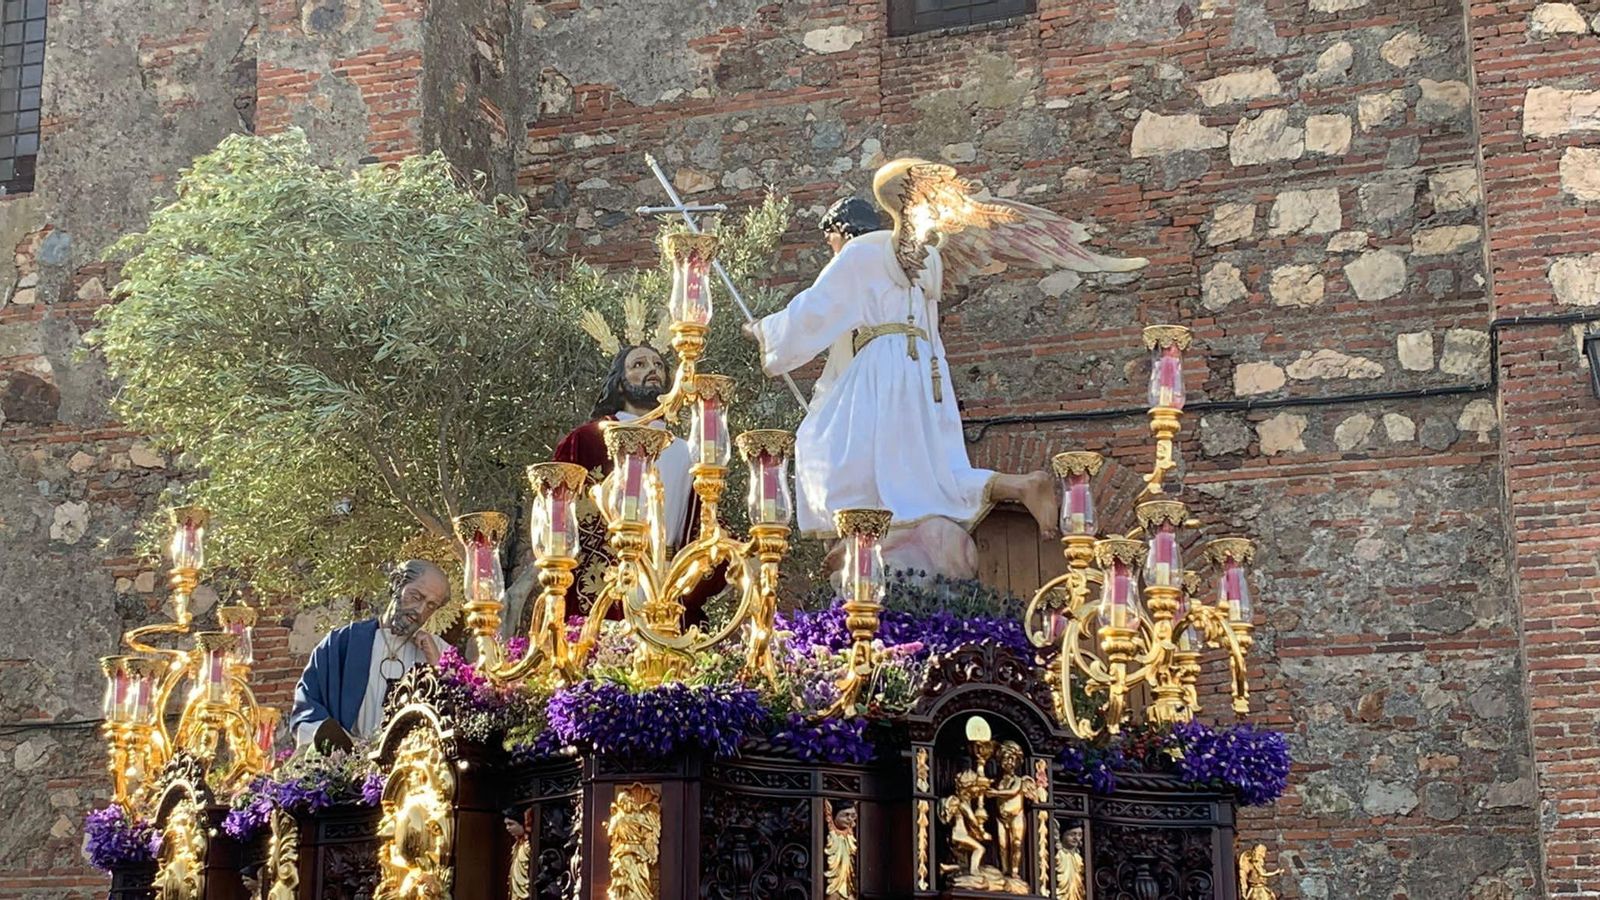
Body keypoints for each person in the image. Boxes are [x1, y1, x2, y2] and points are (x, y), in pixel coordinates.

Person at [744, 158, 1146, 558]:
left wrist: (764, 330)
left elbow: (817, 309)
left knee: (824, 443)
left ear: (840, 231)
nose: (830, 249)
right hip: (924, 370)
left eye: (829, 239)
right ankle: (1019, 485)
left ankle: (866, 538)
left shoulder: (859, 254)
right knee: (928, 472)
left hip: (883, 370)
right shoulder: (925, 256)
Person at [552, 343, 699, 616]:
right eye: (639, 365)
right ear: (619, 384)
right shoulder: (588, 440)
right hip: (606, 584)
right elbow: (556, 509)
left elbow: (702, 519)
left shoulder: (685, 450)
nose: (652, 370)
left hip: (667, 588)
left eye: (657, 365)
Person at [289, 560, 449, 752]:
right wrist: (343, 748)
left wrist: (440, 667)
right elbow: (308, 709)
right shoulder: (342, 643)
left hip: (415, 773)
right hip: (350, 767)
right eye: (416, 596)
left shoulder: (441, 652)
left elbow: (463, 715)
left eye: (431, 605)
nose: (420, 610)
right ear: (397, 584)